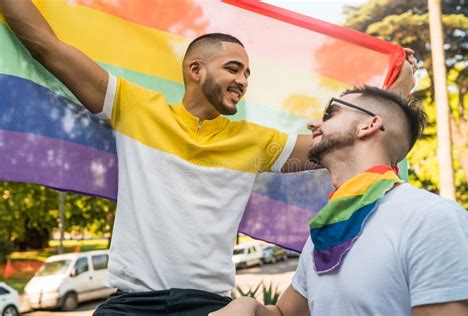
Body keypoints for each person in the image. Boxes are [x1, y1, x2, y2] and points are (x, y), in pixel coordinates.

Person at [0, 1, 417, 315]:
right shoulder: (134, 107)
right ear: (195, 70)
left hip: (210, 307)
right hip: (129, 306)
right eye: (234, 69)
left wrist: (397, 95)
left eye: (248, 74)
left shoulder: (255, 142)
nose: (243, 81)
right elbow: (46, 47)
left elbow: (343, 141)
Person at [211, 86, 468, 316]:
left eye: (330, 113)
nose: (314, 123)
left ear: (369, 125)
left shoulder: (430, 218)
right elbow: (284, 313)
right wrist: (248, 306)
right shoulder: (323, 233)